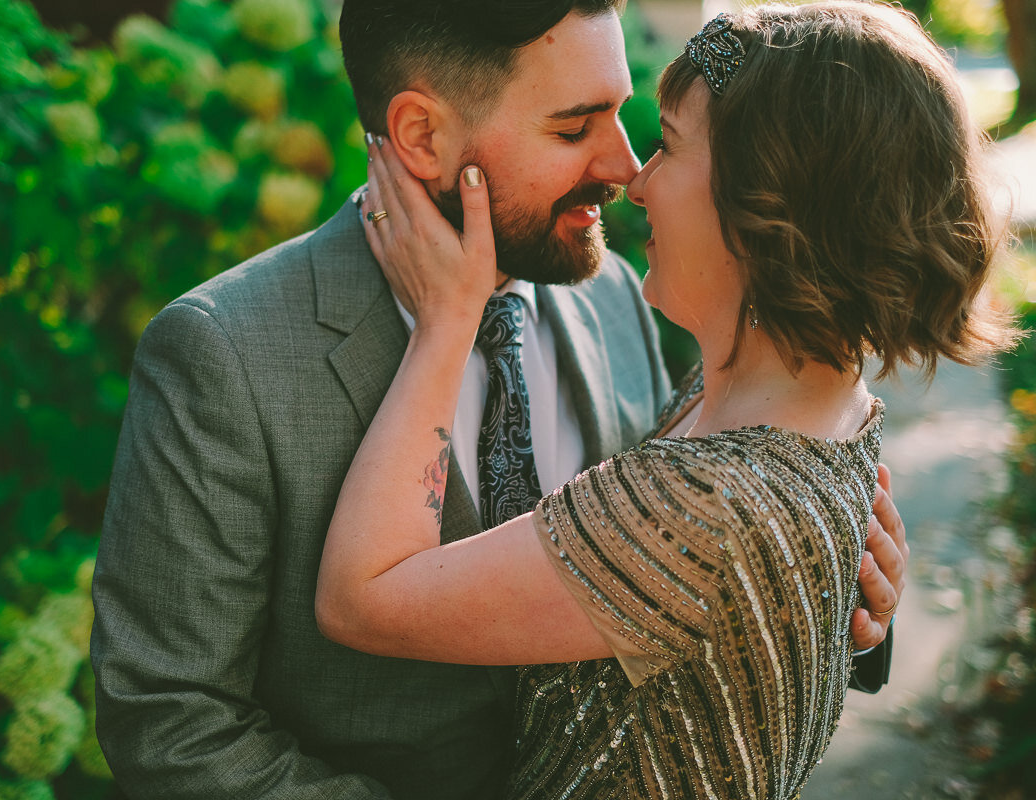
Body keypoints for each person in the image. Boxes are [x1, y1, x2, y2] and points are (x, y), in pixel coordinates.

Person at [90, 2, 907, 798]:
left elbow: (698, 552)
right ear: (423, 136)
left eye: (621, 114)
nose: (625, 167)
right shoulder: (224, 351)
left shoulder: (615, 295)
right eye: (572, 127)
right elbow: (170, 720)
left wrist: (820, 595)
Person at [315, 2, 1017, 799]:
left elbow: (362, 598)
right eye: (579, 126)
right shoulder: (806, 404)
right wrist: (811, 621)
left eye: (671, 145)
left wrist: (446, 323)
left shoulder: (711, 498)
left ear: (763, 211)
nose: (635, 178)